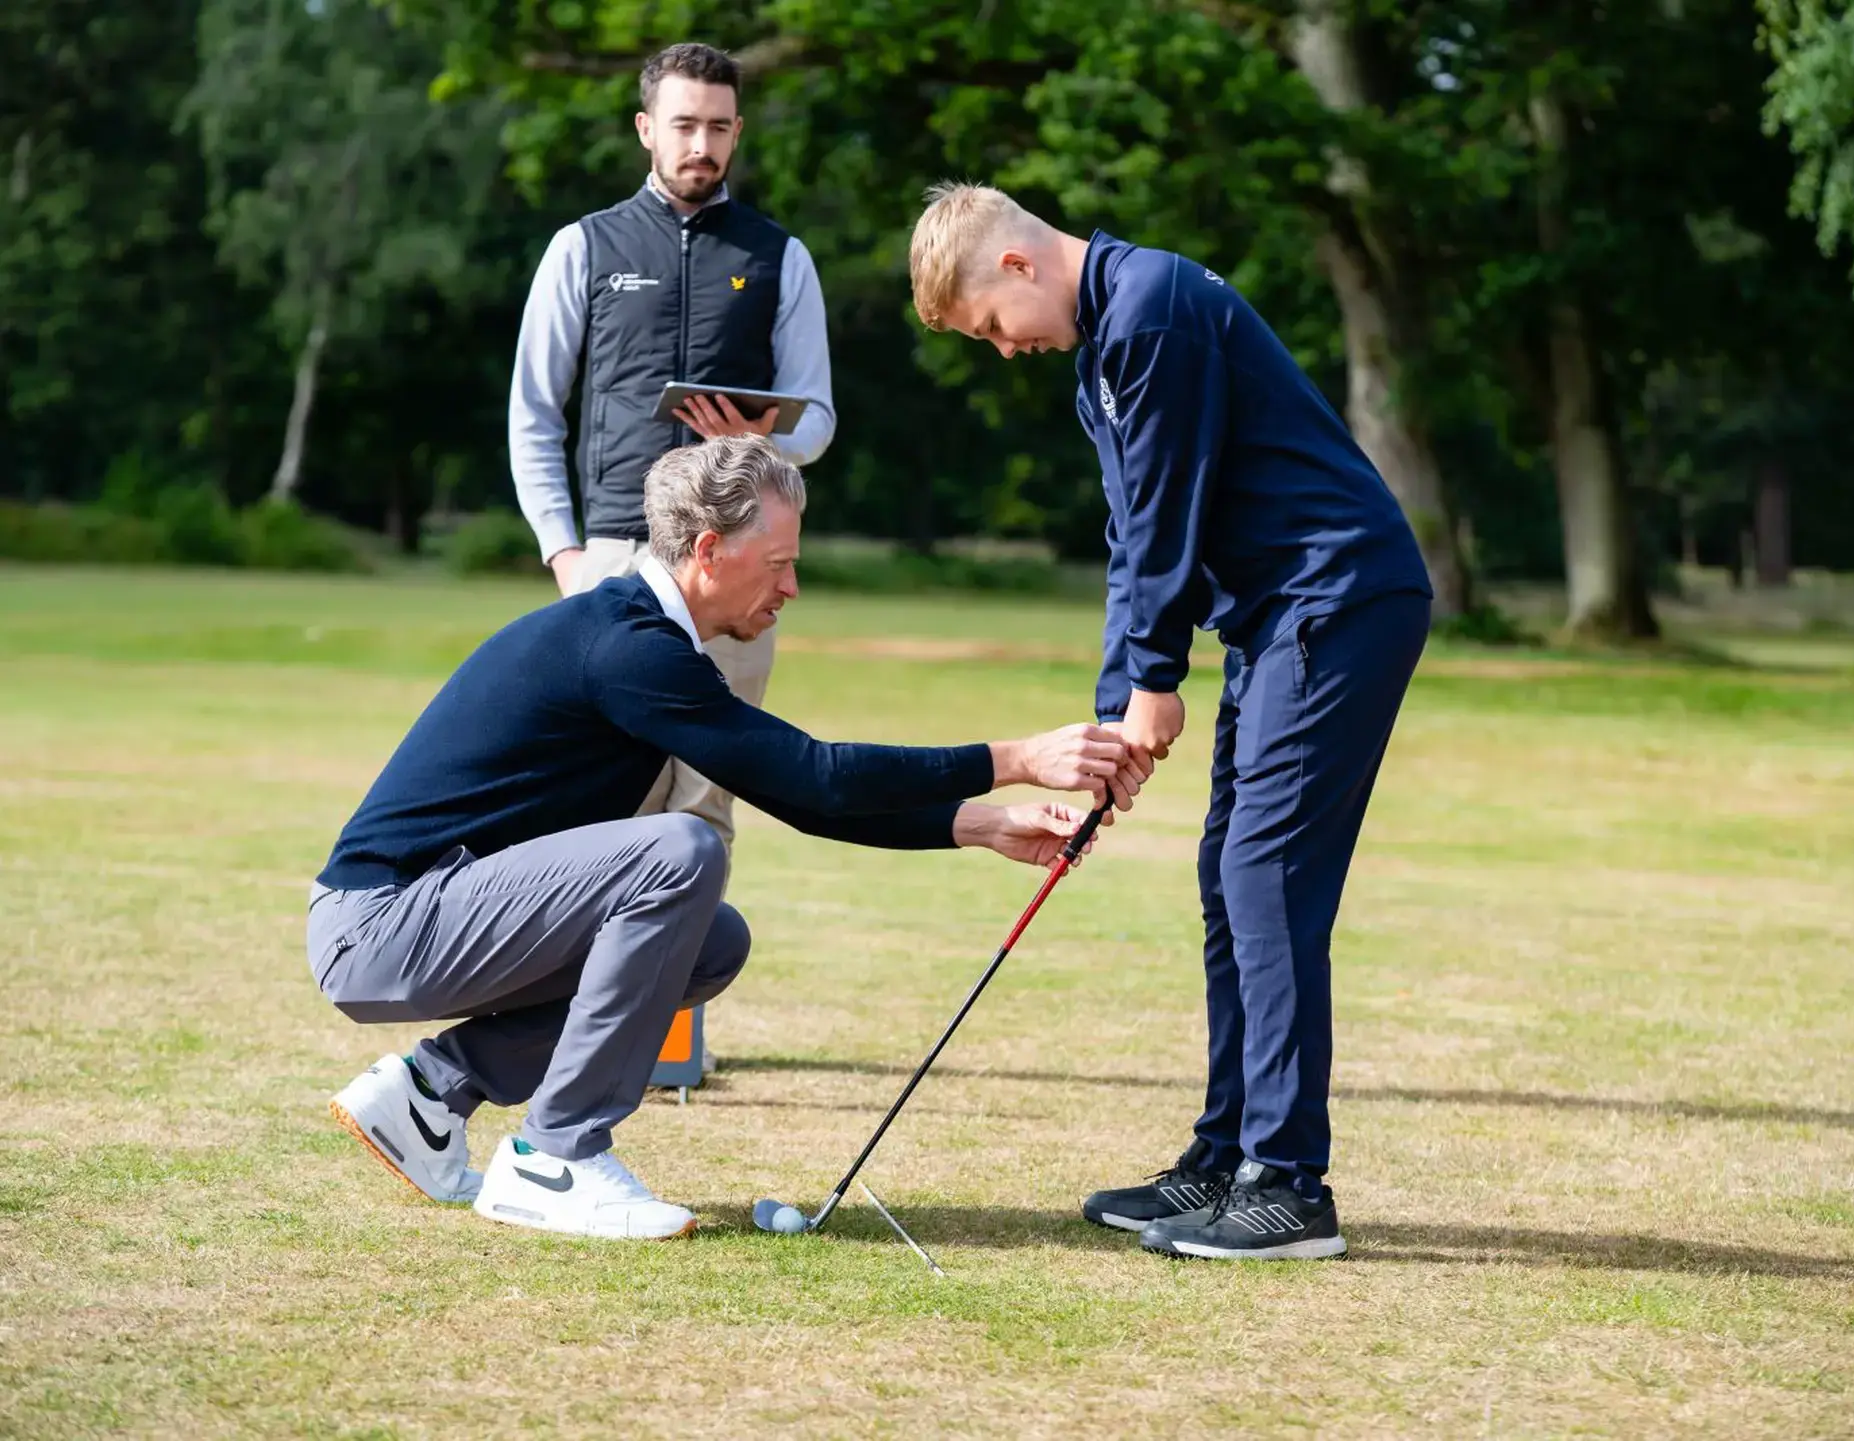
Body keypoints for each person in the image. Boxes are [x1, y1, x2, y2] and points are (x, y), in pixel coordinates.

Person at [309, 436, 1136, 1241]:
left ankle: (428, 1095)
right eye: (778, 564)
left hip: (414, 916)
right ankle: (556, 1158)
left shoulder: (646, 640)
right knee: (680, 851)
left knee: (710, 942)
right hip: (380, 925)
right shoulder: (628, 647)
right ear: (709, 549)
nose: (792, 587)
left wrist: (985, 824)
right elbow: (817, 774)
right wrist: (1015, 759)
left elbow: (801, 795)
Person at [908, 184, 1434, 1262]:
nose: (1004, 350)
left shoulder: (1152, 311)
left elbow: (1168, 520)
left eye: (992, 326)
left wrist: (1157, 676)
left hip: (1335, 600)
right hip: (1277, 617)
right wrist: (1116, 715)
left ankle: (1287, 1184)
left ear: (1016, 265)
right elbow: (1131, 536)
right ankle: (1227, 1156)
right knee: (1228, 875)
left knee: (1265, 876)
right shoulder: (1108, 351)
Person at [508, 41, 832, 861]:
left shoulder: (780, 257)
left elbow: (818, 419)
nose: (701, 145)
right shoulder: (583, 247)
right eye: (684, 125)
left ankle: (684, 954)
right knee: (595, 804)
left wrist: (763, 439)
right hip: (616, 559)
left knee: (704, 810)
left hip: (737, 564)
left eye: (719, 127)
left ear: (738, 132)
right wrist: (566, 556)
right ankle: (584, 956)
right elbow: (534, 415)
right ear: (646, 128)